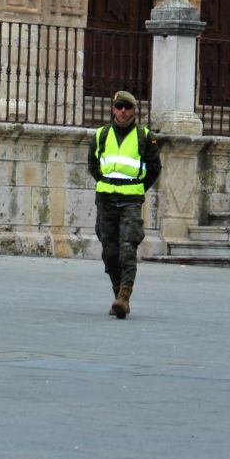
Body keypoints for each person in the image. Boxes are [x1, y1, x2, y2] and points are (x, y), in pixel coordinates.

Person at [86, 91, 161, 319]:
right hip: (106, 198)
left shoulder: (144, 137)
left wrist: (137, 187)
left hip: (130, 198)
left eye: (127, 107)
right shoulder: (101, 135)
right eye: (119, 107)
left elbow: (154, 168)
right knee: (109, 252)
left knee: (127, 249)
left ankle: (124, 299)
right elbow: (93, 164)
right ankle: (118, 292)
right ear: (113, 109)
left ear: (134, 110)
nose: (122, 111)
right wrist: (105, 182)